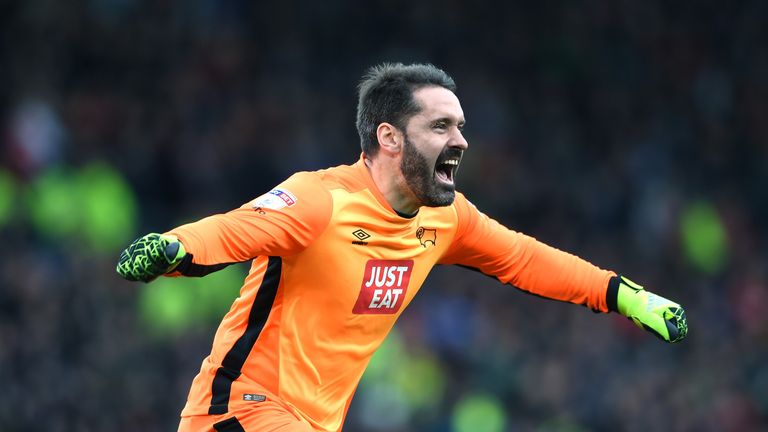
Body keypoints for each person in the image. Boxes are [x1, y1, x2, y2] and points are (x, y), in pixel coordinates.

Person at [117, 63, 688, 432]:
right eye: (441, 127)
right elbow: (236, 230)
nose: (460, 140)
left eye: (460, 126)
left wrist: (626, 296)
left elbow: (525, 259)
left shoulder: (446, 218)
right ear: (389, 137)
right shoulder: (322, 198)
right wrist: (172, 247)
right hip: (240, 411)